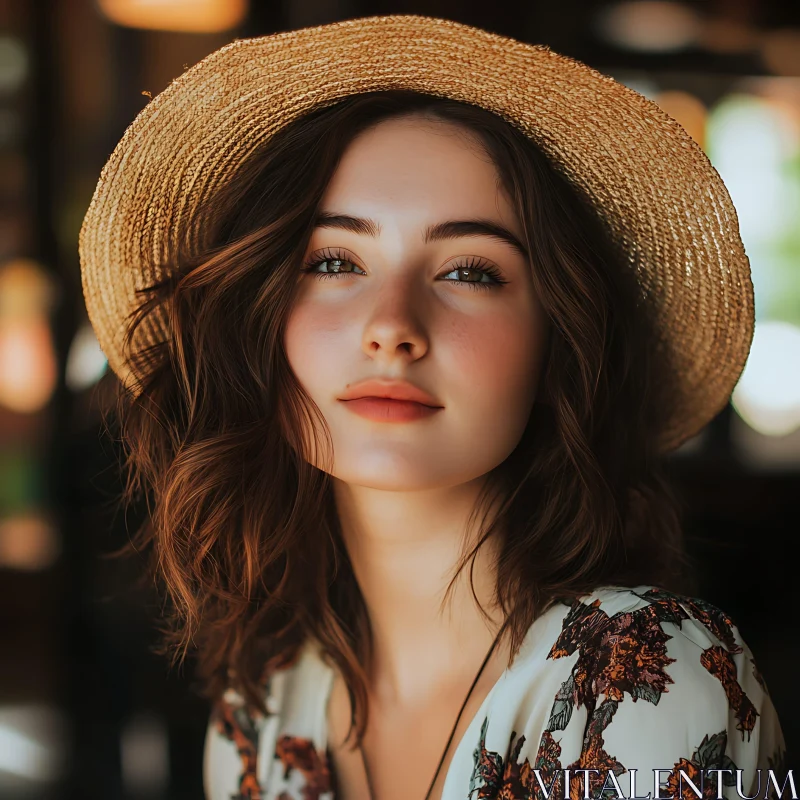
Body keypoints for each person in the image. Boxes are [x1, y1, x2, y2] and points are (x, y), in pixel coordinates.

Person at [78, 15, 786, 800]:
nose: (392, 327)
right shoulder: (263, 710)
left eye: (470, 271)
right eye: (335, 260)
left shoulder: (645, 674)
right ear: (258, 320)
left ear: (560, 339)